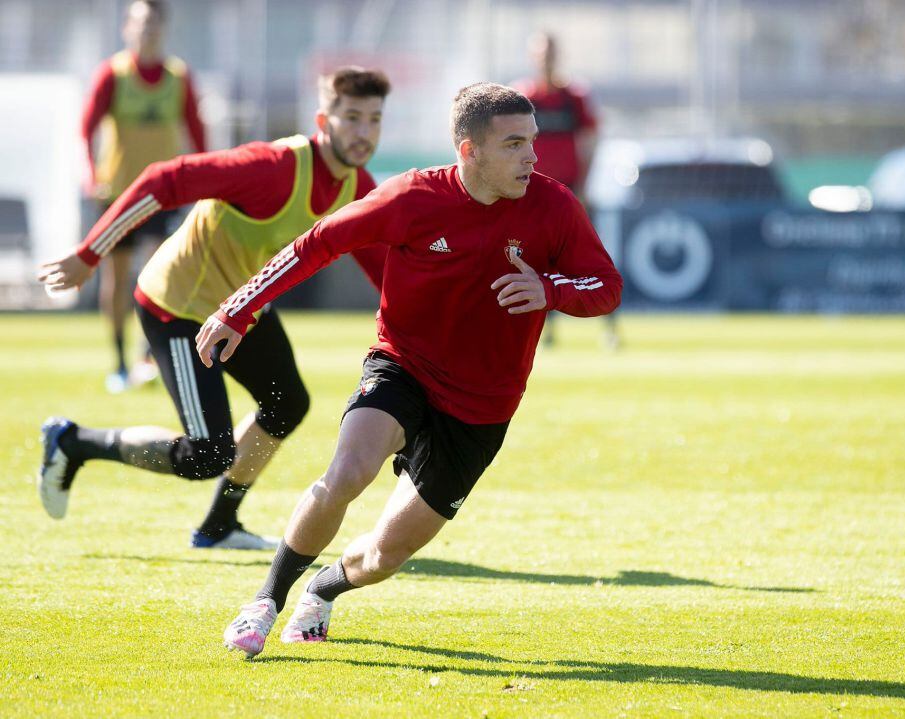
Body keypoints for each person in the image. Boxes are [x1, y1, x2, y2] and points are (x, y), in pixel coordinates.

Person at [194, 82, 622, 657]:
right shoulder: (414, 197)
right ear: (469, 150)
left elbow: (607, 287)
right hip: (403, 367)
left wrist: (548, 288)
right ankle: (264, 602)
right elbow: (317, 243)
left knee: (383, 557)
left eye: (533, 142)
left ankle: (321, 591)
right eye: (514, 144)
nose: (532, 157)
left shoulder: (554, 206)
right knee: (347, 473)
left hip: (482, 407)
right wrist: (237, 309)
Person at [36, 67, 392, 551]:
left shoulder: (357, 185)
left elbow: (386, 270)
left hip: (241, 309)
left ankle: (219, 526)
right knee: (206, 454)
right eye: (351, 118)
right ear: (322, 120)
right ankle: (74, 443)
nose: (364, 132)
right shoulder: (272, 167)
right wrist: (90, 253)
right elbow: (165, 178)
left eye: (373, 120)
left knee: (287, 403)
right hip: (178, 307)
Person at [81, 0, 207, 392]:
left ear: (163, 28)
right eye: (139, 23)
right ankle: (119, 363)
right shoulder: (112, 75)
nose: (146, 30)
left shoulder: (179, 76)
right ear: (127, 28)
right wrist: (90, 174)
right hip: (118, 193)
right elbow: (85, 129)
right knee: (117, 279)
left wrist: (207, 182)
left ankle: (146, 356)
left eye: (152, 22)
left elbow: (198, 133)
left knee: (156, 275)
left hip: (163, 195)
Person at [514, 31, 618, 349]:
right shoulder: (523, 96)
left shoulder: (574, 96)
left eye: (550, 54)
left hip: (571, 193)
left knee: (591, 261)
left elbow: (591, 140)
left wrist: (584, 186)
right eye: (541, 54)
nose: (546, 60)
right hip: (532, 194)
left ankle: (610, 329)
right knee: (534, 261)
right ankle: (542, 332)